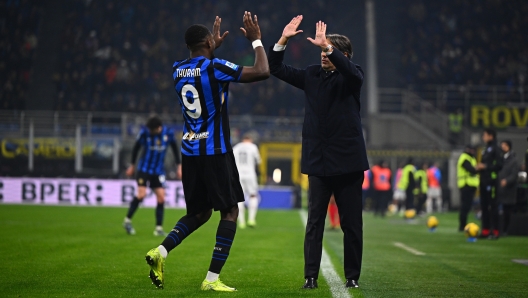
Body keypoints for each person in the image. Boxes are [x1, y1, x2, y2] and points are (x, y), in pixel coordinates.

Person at [144, 13, 270, 292]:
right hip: (215, 150)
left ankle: (160, 252)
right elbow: (262, 70)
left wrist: (211, 48)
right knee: (230, 211)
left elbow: (199, 67)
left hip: (191, 151)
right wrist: (256, 39)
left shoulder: (177, 69)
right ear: (207, 42)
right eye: (211, 40)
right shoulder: (215, 67)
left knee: (200, 213)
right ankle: (211, 280)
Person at [269, 16, 369, 289]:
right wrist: (283, 40)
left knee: (351, 224)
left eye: (328, 51)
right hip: (318, 162)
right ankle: (310, 277)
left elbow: (353, 73)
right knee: (314, 223)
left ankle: (352, 277)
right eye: (321, 50)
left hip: (348, 163)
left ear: (343, 55)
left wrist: (329, 47)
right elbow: (276, 68)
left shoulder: (352, 76)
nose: (323, 55)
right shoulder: (312, 75)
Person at [124, 116, 181, 236]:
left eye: (152, 129)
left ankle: (159, 229)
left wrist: (179, 166)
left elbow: (175, 149)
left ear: (158, 128)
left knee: (161, 198)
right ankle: (127, 220)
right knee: (141, 194)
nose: (150, 131)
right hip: (144, 169)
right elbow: (136, 148)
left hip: (158, 171)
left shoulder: (168, 134)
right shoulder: (145, 133)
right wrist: (132, 166)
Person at [476, 128, 503, 239]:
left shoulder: (496, 149)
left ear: (491, 136)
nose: (483, 137)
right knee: (484, 206)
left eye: (485, 135)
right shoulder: (486, 149)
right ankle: (485, 230)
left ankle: (495, 231)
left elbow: (499, 165)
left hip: (491, 182)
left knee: (493, 206)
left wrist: (485, 166)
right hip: (484, 180)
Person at [233, 134, 262, 229]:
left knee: (238, 198)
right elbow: (258, 161)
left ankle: (241, 222)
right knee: (253, 195)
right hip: (250, 174)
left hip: (238, 175)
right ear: (250, 140)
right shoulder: (253, 147)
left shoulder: (236, 147)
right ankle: (251, 219)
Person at [498, 140, 520, 236]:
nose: (502, 147)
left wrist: (506, 181)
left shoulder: (514, 160)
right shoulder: (500, 159)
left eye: (504, 145)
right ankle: (497, 228)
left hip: (509, 189)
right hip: (499, 188)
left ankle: (505, 230)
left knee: (507, 211)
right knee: (497, 209)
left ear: (509, 147)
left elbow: (514, 175)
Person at [457, 145, 479, 231]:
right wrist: (478, 168)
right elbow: (471, 169)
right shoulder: (464, 157)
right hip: (466, 184)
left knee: (467, 206)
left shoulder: (471, 158)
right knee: (465, 206)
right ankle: (462, 225)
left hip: (470, 185)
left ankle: (463, 225)